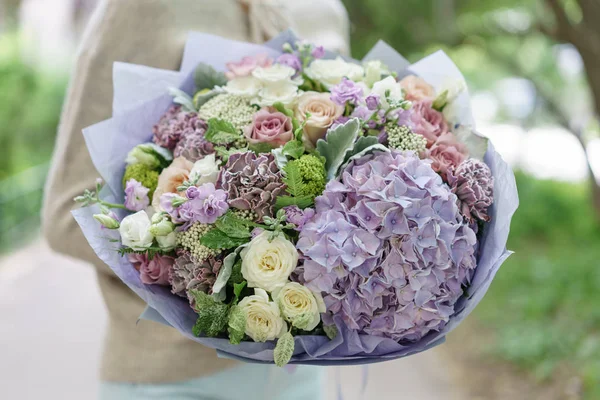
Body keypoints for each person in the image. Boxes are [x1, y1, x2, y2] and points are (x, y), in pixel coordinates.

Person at [41, 1, 350, 399]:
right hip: (171, 377)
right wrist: (201, 258)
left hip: (299, 374)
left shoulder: (326, 11)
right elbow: (65, 212)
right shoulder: (140, 9)